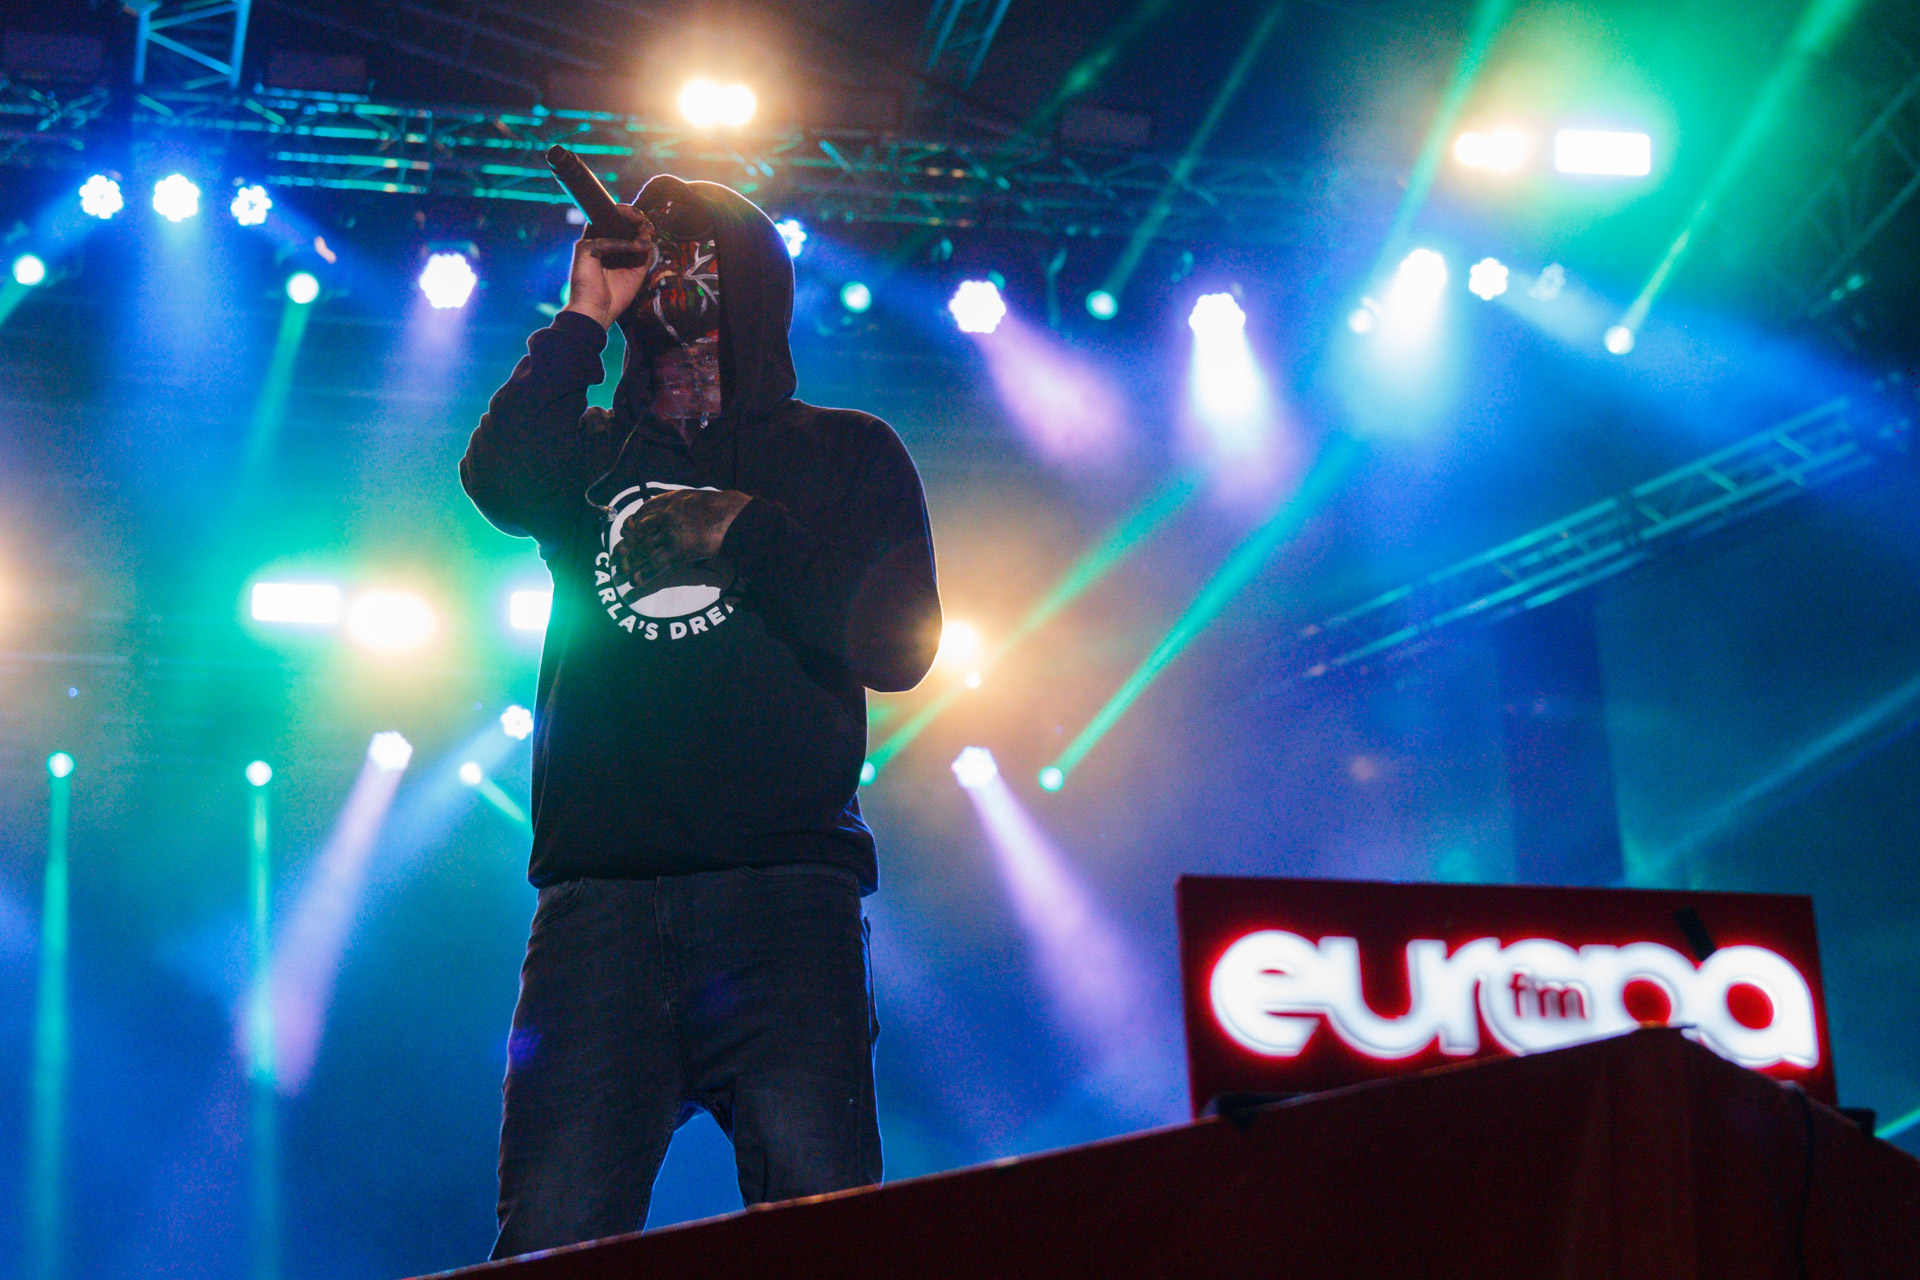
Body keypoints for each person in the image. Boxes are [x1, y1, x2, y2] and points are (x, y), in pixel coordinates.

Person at [460, 174, 941, 1258]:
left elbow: (901, 643)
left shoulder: (844, 452)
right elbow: (496, 478)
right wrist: (584, 316)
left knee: (823, 1233)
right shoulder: (591, 452)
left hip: (785, 900)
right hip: (600, 909)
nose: (669, 264)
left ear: (749, 279)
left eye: (695, 246)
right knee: (549, 1239)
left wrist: (743, 528)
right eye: (653, 247)